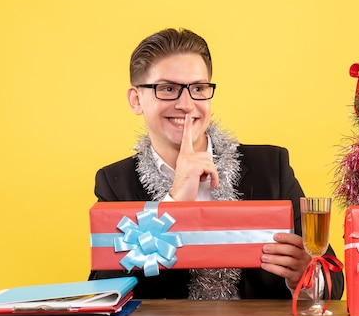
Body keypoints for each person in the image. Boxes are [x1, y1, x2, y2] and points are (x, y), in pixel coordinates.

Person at [89, 28, 344, 300]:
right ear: (136, 99)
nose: (186, 104)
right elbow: (105, 293)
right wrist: (173, 204)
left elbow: (333, 284)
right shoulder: (116, 182)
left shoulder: (271, 167)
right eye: (167, 89)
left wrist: (306, 276)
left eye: (198, 89)